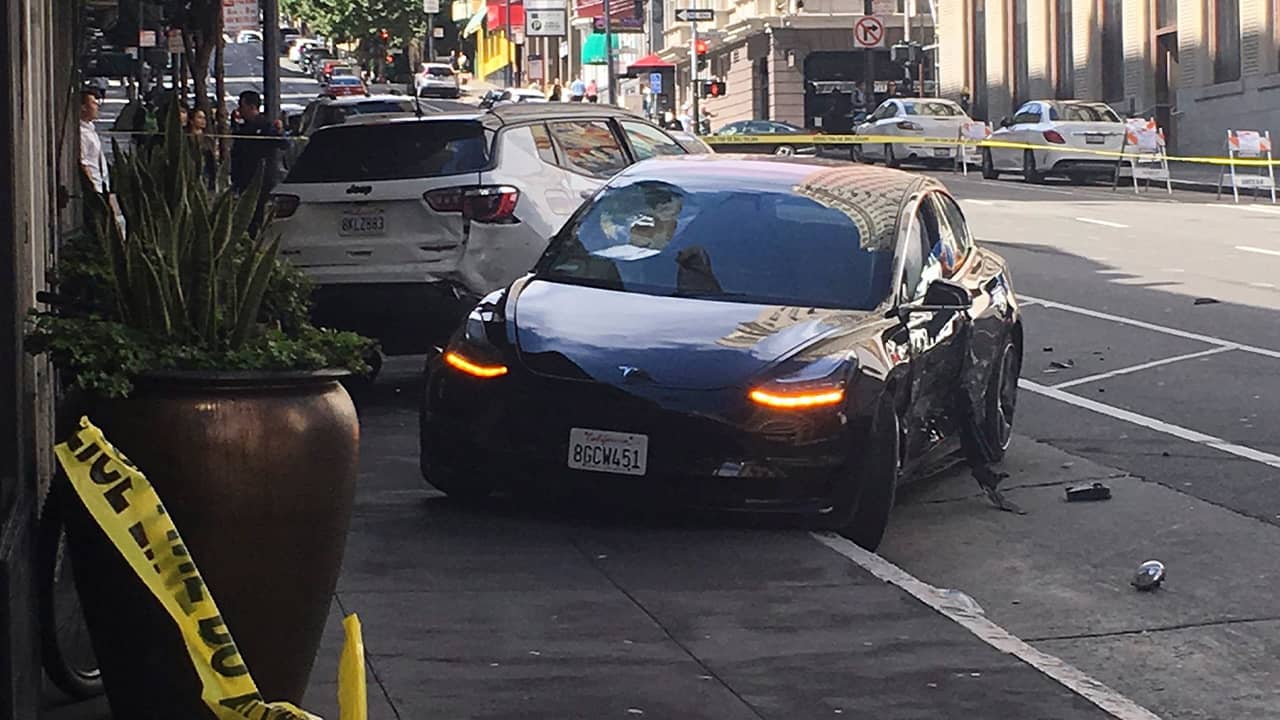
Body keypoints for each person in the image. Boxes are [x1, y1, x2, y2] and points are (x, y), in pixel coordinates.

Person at [79, 90, 107, 193]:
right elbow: (84, 163)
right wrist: (93, 188)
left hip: (102, 185)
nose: (97, 107)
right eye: (93, 103)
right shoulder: (82, 133)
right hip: (95, 189)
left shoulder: (90, 129)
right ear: (84, 107)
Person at [187, 107, 217, 188]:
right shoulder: (186, 138)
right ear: (191, 120)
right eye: (199, 117)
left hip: (205, 176)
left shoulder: (208, 139)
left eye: (204, 118)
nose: (203, 120)